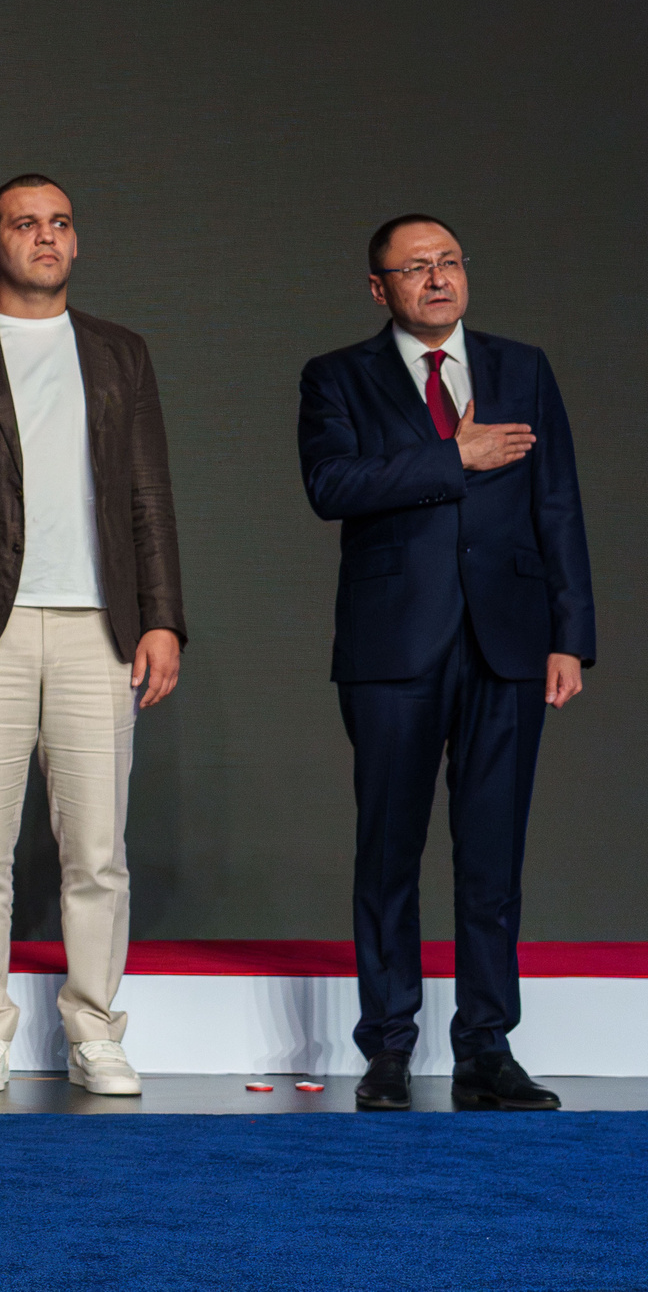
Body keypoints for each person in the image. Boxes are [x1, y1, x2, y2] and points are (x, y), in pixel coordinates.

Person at [0, 175, 184, 1097]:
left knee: (97, 850)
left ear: (76, 241)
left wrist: (164, 618)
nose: (45, 237)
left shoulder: (119, 353)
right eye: (25, 224)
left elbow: (148, 494)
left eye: (60, 223)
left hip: (103, 628)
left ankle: (96, 1029)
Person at [297, 214, 592, 1113]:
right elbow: (331, 487)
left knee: (493, 855)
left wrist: (570, 632)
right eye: (415, 267)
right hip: (393, 646)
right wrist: (449, 456)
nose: (437, 279)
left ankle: (485, 1049)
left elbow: (559, 504)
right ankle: (387, 1047)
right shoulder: (337, 376)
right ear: (378, 287)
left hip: (507, 640)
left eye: (450, 262)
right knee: (388, 849)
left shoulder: (523, 368)